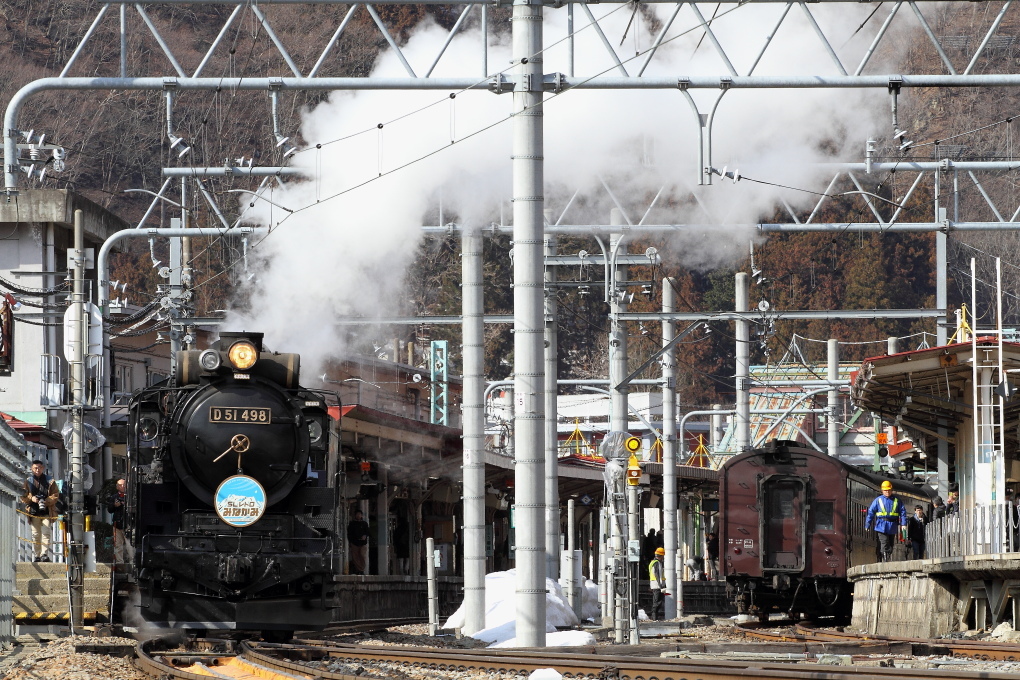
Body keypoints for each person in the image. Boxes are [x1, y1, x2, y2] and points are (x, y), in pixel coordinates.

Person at [21, 460, 59, 562]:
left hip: (47, 511)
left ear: (43, 468)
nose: (37, 470)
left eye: (39, 468)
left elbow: (55, 495)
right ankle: (37, 555)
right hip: (33, 511)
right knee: (36, 534)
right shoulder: (28, 481)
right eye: (35, 468)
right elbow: (23, 496)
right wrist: (32, 498)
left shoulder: (50, 480)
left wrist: (46, 501)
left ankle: (44, 554)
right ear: (31, 469)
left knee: (46, 532)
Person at [865, 480, 908, 562]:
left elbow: (903, 512)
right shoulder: (878, 500)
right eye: (885, 490)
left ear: (891, 490)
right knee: (884, 542)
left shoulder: (897, 500)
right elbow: (871, 512)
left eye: (888, 490)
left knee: (891, 544)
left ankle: (887, 557)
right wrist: (868, 524)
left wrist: (903, 524)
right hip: (881, 525)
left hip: (892, 525)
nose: (887, 492)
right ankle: (884, 559)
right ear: (882, 490)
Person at [106, 478, 128, 565]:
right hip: (117, 524)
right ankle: (120, 563)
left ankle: (132, 563)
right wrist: (115, 505)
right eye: (120, 485)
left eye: (124, 485)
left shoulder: (131, 496)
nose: (122, 487)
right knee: (118, 546)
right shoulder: (114, 497)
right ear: (117, 487)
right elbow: (110, 510)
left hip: (128, 524)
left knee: (130, 546)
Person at [347, 509, 370, 575]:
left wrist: (365, 536)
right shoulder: (352, 524)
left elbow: (367, 532)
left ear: (361, 515)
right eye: (357, 514)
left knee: (362, 555)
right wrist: (350, 541)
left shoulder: (364, 523)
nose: (358, 515)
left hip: (363, 543)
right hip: (354, 543)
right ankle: (359, 569)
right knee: (355, 557)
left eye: (359, 514)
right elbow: (349, 533)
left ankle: (362, 568)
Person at [648, 546, 666, 620]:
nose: (663, 558)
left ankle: (655, 617)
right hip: (657, 585)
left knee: (658, 602)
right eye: (663, 556)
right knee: (657, 602)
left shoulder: (653, 562)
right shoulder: (657, 563)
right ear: (661, 556)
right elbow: (657, 574)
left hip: (654, 584)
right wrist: (661, 585)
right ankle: (654, 618)